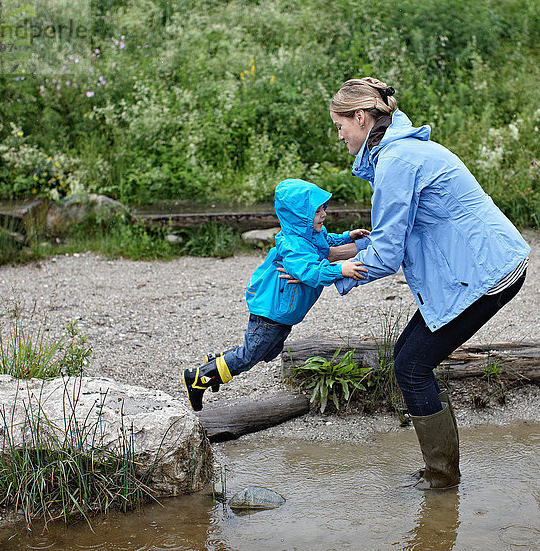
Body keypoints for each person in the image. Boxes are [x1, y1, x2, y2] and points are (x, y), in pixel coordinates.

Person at [325, 77, 530, 489]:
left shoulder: (397, 162)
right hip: (479, 266)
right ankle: (442, 472)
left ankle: (442, 482)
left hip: (486, 272)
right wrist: (324, 256)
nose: (341, 134)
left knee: (412, 366)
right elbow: (390, 240)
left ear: (360, 117)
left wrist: (324, 275)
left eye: (340, 125)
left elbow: (385, 256)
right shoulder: (398, 153)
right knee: (408, 357)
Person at [182, 178, 370, 412]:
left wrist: (347, 236)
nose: (323, 215)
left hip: (283, 312)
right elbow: (310, 272)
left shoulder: (310, 233)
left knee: (267, 351)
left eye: (323, 209)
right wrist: (340, 269)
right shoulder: (293, 246)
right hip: (272, 311)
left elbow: (326, 242)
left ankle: (216, 363)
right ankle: (200, 377)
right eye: (317, 211)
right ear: (299, 216)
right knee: (250, 356)